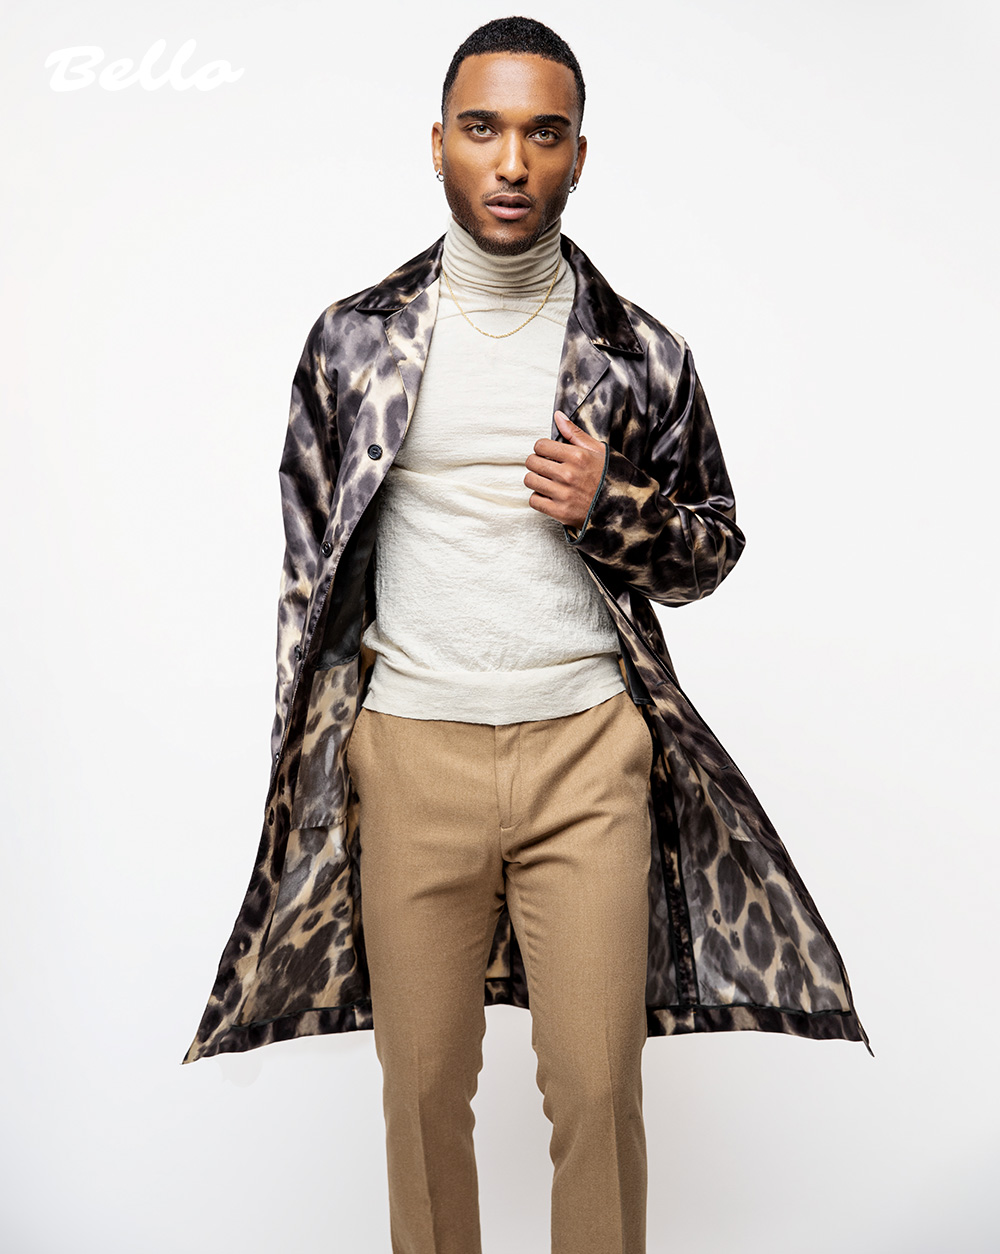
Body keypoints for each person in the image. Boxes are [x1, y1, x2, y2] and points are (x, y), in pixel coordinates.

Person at [182, 16, 871, 1254]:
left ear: (577, 156)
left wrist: (612, 504)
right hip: (411, 752)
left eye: (542, 134)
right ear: (437, 143)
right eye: (483, 129)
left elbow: (712, 552)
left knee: (599, 1093)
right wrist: (331, 758)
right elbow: (307, 582)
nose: (511, 162)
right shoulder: (353, 342)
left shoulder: (639, 354)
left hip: (586, 753)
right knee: (420, 1096)